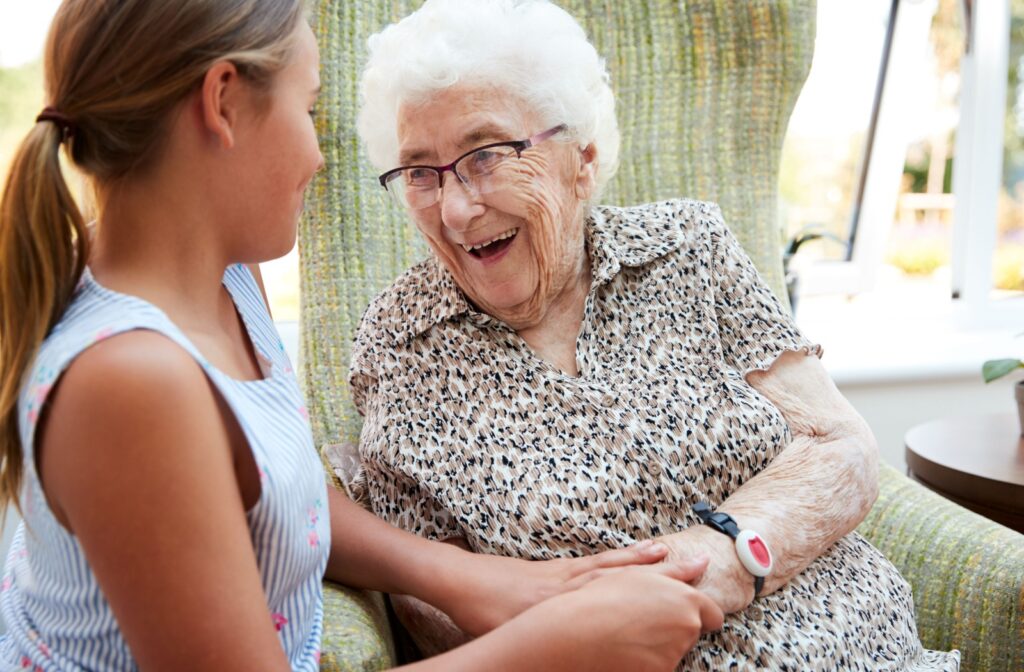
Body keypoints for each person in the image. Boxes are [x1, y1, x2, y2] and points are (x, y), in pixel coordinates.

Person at [0, 1, 726, 670]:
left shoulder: (223, 278)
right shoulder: (130, 383)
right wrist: (561, 644)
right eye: (309, 108)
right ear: (222, 102)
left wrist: (479, 579)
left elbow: (279, 489)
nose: (320, 157)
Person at [349, 0, 960, 670]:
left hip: (866, 648)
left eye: (486, 155)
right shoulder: (398, 346)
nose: (457, 207)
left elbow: (839, 442)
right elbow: (433, 604)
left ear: (580, 159)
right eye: (419, 173)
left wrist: (729, 557)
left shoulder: (687, 247)